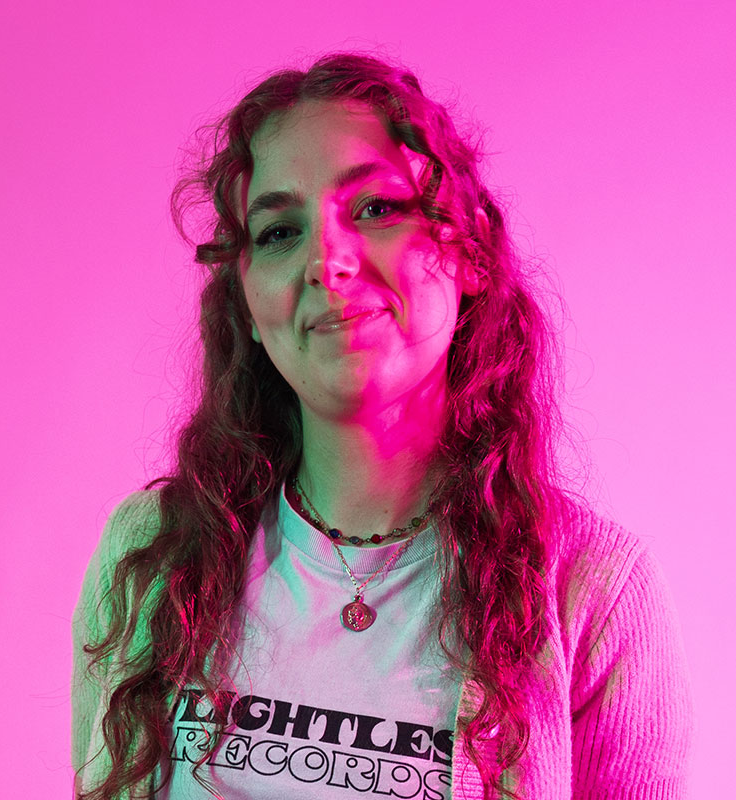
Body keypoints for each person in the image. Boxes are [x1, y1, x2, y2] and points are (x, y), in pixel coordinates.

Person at [72, 53, 693, 800]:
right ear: (246, 304)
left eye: (375, 209)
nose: (327, 261)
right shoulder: (151, 556)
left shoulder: (591, 588)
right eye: (277, 232)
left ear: (466, 252)